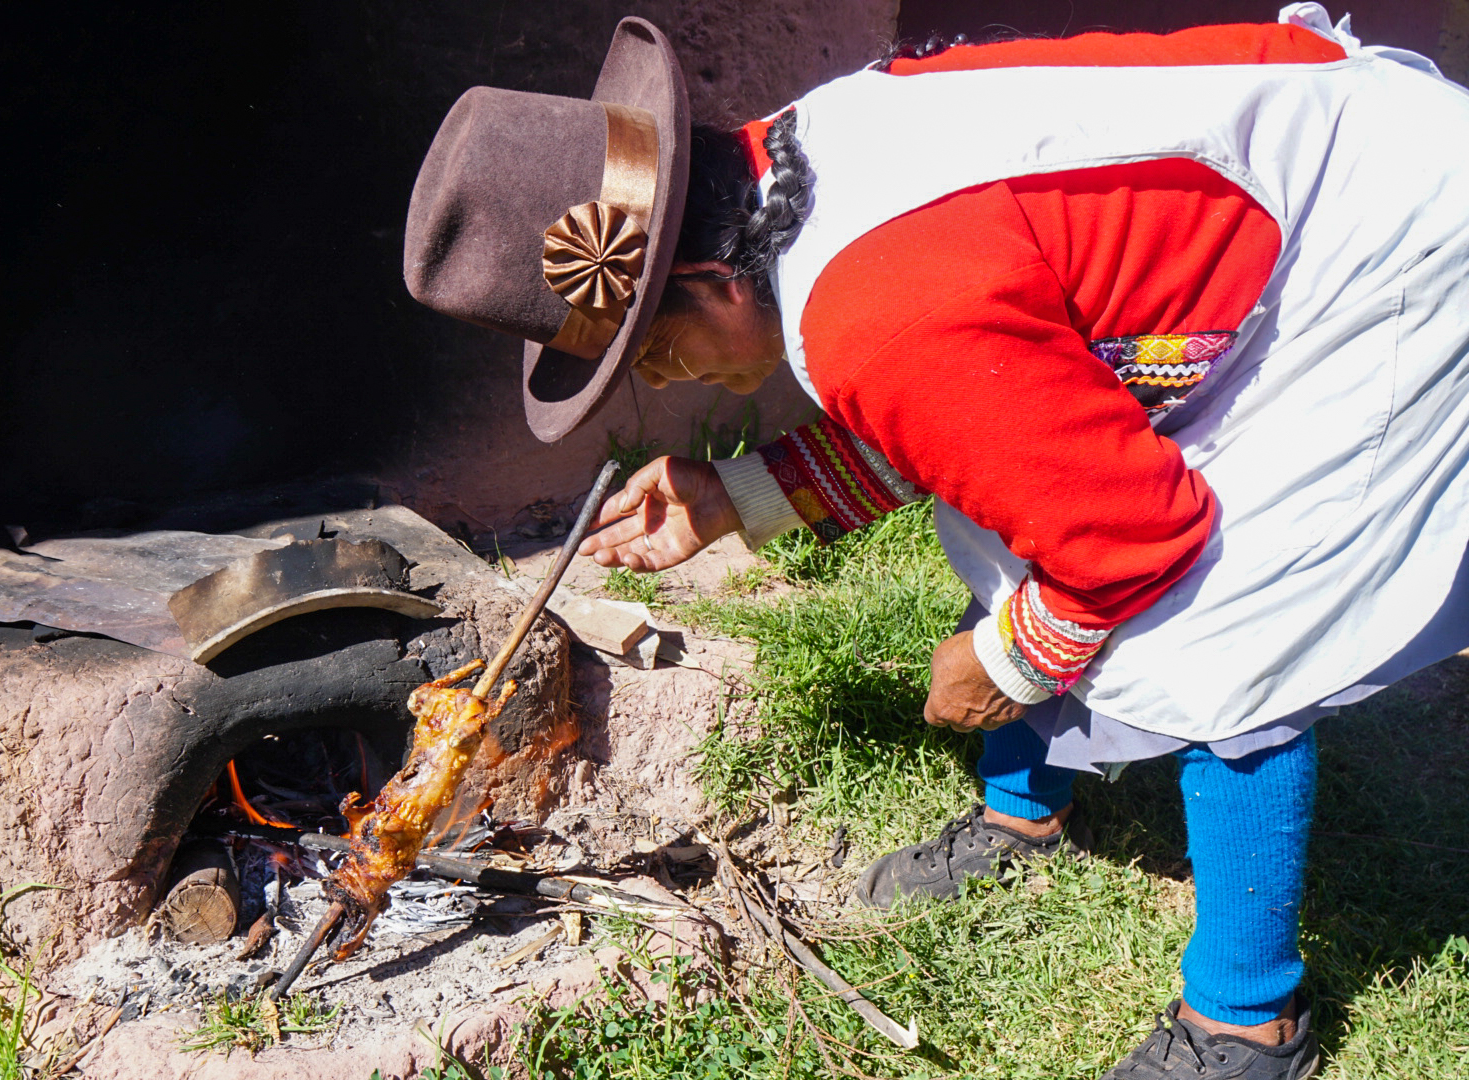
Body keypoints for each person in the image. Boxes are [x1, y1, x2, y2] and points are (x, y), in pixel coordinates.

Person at [402, 7, 1469, 1077]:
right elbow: (979, 419)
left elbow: (1132, 539)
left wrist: (1000, 663)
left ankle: (1246, 1019)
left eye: (649, 348)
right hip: (1309, 171)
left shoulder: (873, 313)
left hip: (1389, 232)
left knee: (1218, 625)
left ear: (707, 282)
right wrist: (734, 495)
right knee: (1016, 503)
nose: (660, 380)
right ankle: (1023, 814)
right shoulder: (790, 166)